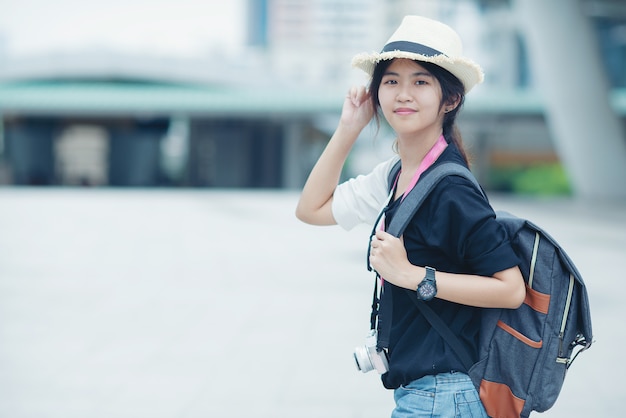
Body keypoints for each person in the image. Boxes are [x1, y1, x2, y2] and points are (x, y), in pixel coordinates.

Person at [295, 15, 526, 417]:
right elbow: (311, 209)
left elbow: (510, 289)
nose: (403, 94)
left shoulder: (452, 189)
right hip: (426, 393)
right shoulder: (397, 175)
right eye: (391, 81)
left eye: (420, 82)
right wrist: (349, 129)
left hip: (444, 395)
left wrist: (413, 276)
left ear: (449, 99)